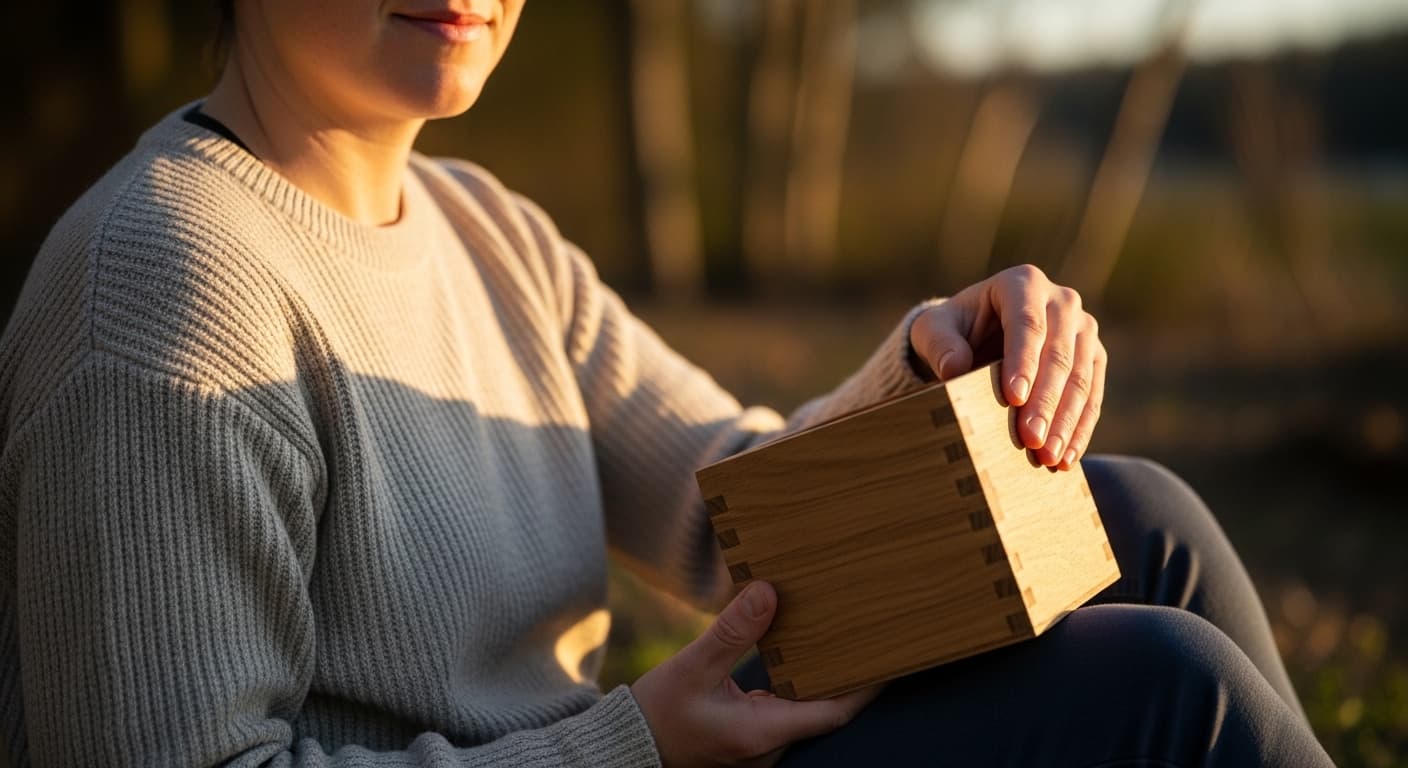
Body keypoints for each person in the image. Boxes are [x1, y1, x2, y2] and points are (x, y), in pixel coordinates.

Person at [0, 1, 1333, 766]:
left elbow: (730, 513)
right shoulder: (162, 284)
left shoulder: (482, 225)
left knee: (1129, 518)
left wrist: (936, 370)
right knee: (1166, 692)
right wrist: (631, 748)